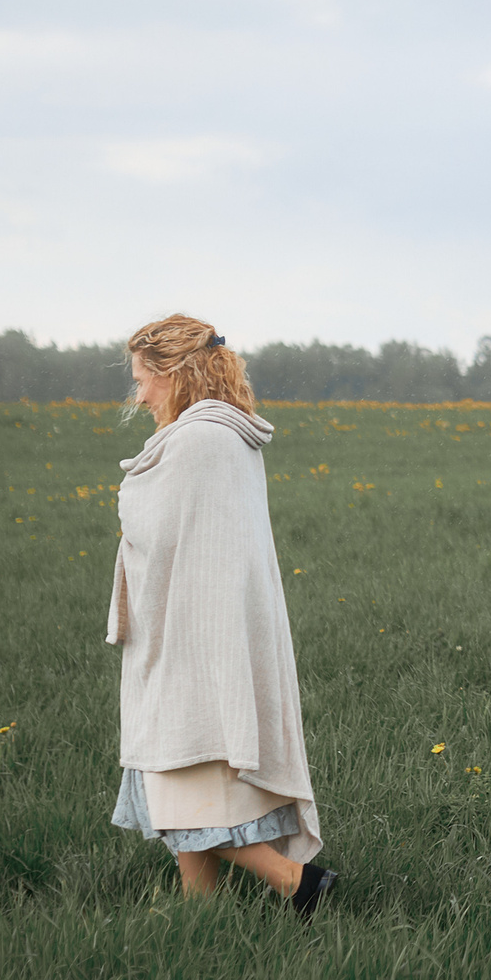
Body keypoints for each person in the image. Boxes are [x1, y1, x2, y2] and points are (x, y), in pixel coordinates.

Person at [107, 314, 334, 918]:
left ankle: (298, 883)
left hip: (197, 633)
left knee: (188, 779)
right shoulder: (219, 435)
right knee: (186, 780)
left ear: (174, 374)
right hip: (198, 625)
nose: (141, 395)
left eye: (144, 380)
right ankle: (197, 909)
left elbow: (151, 519)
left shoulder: (201, 440)